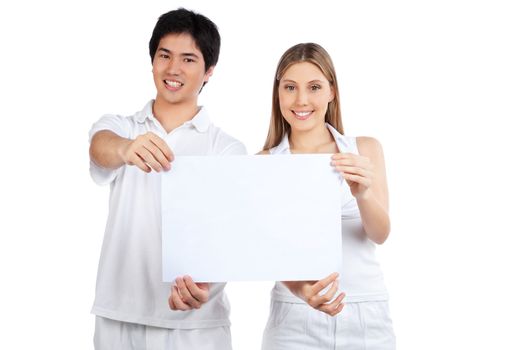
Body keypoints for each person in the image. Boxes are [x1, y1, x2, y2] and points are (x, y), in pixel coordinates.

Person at [88, 8, 246, 350]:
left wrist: (203, 285)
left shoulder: (226, 149)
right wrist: (126, 149)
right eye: (165, 56)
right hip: (117, 317)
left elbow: (231, 235)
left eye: (189, 59)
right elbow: (99, 147)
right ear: (152, 61)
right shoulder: (123, 127)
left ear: (209, 71)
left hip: (196, 325)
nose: (173, 69)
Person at [259, 43, 396, 349]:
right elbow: (263, 252)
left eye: (314, 87)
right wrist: (300, 290)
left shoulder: (365, 149)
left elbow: (380, 234)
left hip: (366, 314)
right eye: (290, 87)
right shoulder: (263, 163)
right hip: (294, 318)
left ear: (332, 91)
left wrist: (362, 194)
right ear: (277, 92)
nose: (301, 100)